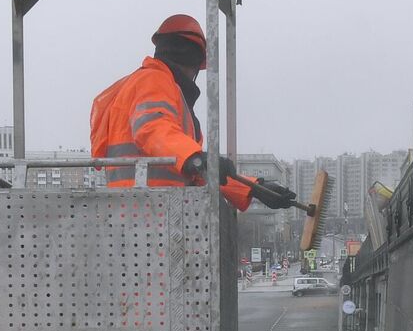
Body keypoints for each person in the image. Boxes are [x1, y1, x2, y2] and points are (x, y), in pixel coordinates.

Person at [90, 14, 297, 211]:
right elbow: (152, 129)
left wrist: (254, 188)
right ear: (192, 63)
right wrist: (195, 158)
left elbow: (198, 174)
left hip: (145, 211)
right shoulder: (154, 80)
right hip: (148, 213)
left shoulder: (152, 89)